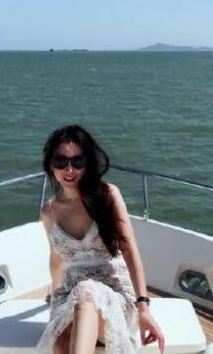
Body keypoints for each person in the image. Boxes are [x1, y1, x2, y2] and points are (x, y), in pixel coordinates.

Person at [35, 125, 165, 354]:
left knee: (86, 292)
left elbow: (129, 248)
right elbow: (56, 259)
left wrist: (143, 308)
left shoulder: (108, 195)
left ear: (88, 163)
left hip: (114, 294)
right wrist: (55, 301)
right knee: (58, 343)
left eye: (78, 161)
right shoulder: (49, 211)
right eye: (61, 161)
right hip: (70, 294)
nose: (69, 169)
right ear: (50, 164)